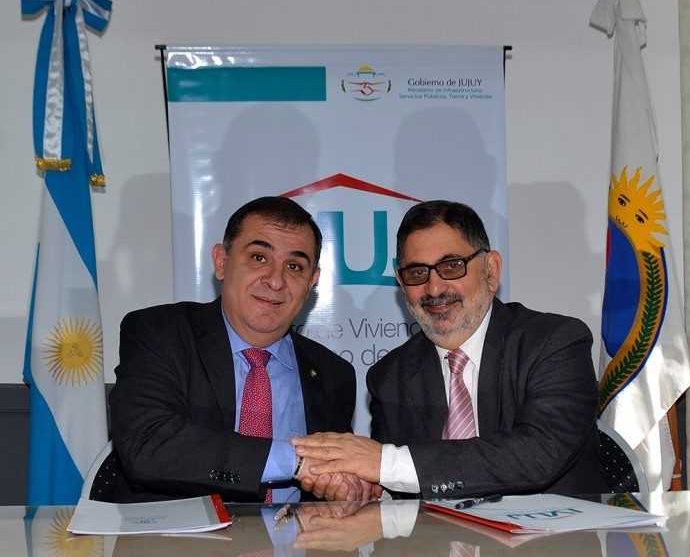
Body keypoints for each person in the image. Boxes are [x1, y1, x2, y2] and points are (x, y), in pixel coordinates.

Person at [293, 200, 607, 498]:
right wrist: (362, 489)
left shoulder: (554, 342)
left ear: (491, 270)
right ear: (402, 284)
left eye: (452, 266)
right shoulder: (389, 377)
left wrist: (385, 463)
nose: (434, 288)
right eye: (417, 273)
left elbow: (539, 453)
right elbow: (393, 490)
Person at [109, 196, 372, 503]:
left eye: (294, 266)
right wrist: (297, 462)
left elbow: (332, 490)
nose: (275, 281)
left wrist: (347, 486)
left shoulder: (334, 374)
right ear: (221, 262)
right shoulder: (161, 334)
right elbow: (148, 445)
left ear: (312, 281)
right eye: (259, 257)